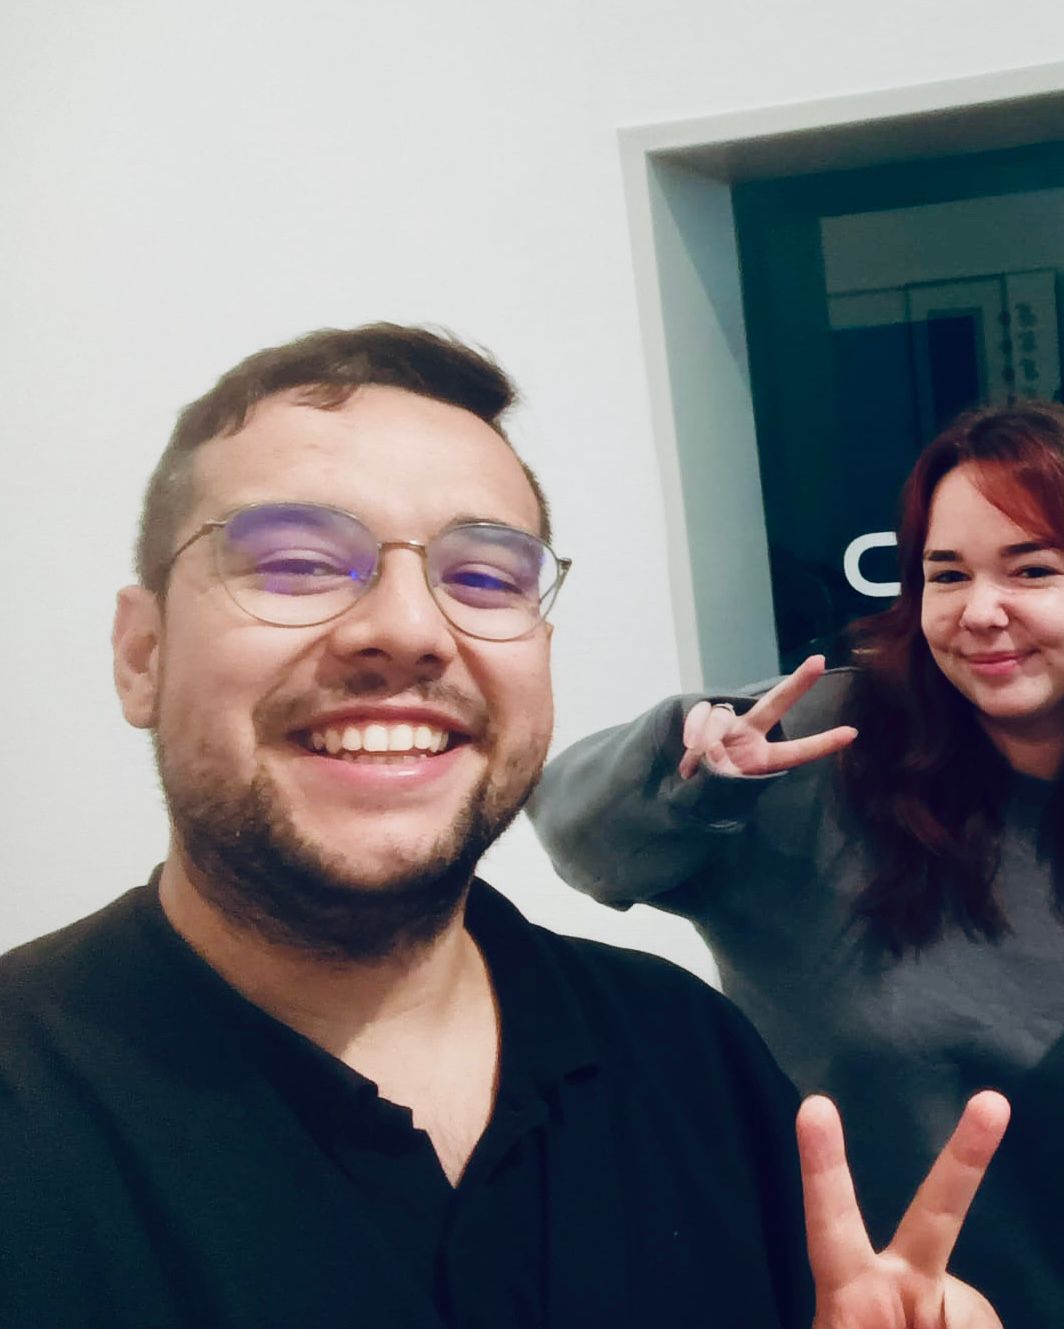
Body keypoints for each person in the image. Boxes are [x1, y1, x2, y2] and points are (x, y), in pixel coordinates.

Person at [0, 323, 1011, 1329]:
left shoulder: (684, 1053)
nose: (406, 630)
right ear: (141, 654)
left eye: (483, 578)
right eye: (298, 563)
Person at [529, 400, 1064, 1328]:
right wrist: (696, 773)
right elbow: (578, 837)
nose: (981, 611)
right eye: (946, 573)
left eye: (1031, 568)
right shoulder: (825, 747)